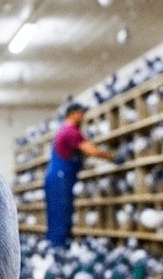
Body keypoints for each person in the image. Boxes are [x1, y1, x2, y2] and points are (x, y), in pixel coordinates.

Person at [44, 101, 114, 247]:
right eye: (81, 113)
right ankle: (59, 247)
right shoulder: (71, 132)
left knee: (56, 213)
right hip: (61, 177)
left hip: (56, 177)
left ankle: (55, 245)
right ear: (74, 114)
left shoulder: (62, 130)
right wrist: (111, 157)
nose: (83, 117)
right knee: (62, 213)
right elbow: (92, 151)